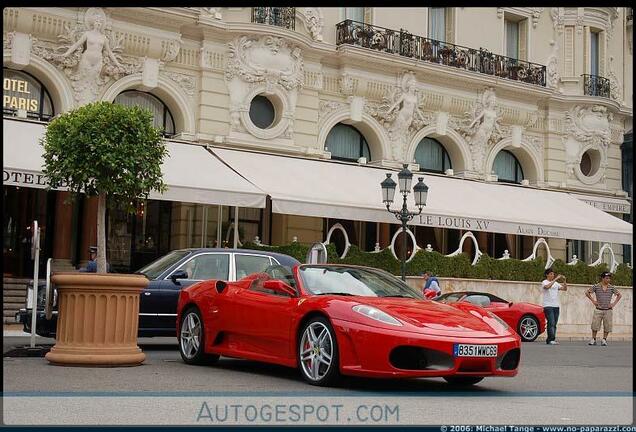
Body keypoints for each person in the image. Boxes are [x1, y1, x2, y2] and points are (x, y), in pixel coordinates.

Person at [585, 272, 622, 346]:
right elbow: (587, 292)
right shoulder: (596, 286)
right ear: (602, 278)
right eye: (607, 278)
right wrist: (593, 301)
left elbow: (619, 295)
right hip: (598, 309)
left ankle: (604, 339)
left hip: (608, 310)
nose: (608, 280)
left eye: (609, 278)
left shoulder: (611, 287)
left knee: (607, 326)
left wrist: (613, 304)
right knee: (595, 325)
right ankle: (593, 339)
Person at [541, 268, 567, 345]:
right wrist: (556, 279)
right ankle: (550, 339)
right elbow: (547, 287)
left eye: (553, 274)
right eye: (551, 274)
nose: (553, 275)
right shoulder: (544, 282)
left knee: (554, 323)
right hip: (548, 306)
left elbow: (564, 289)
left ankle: (551, 339)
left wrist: (564, 281)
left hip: (556, 306)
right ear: (547, 275)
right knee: (551, 322)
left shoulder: (556, 283)